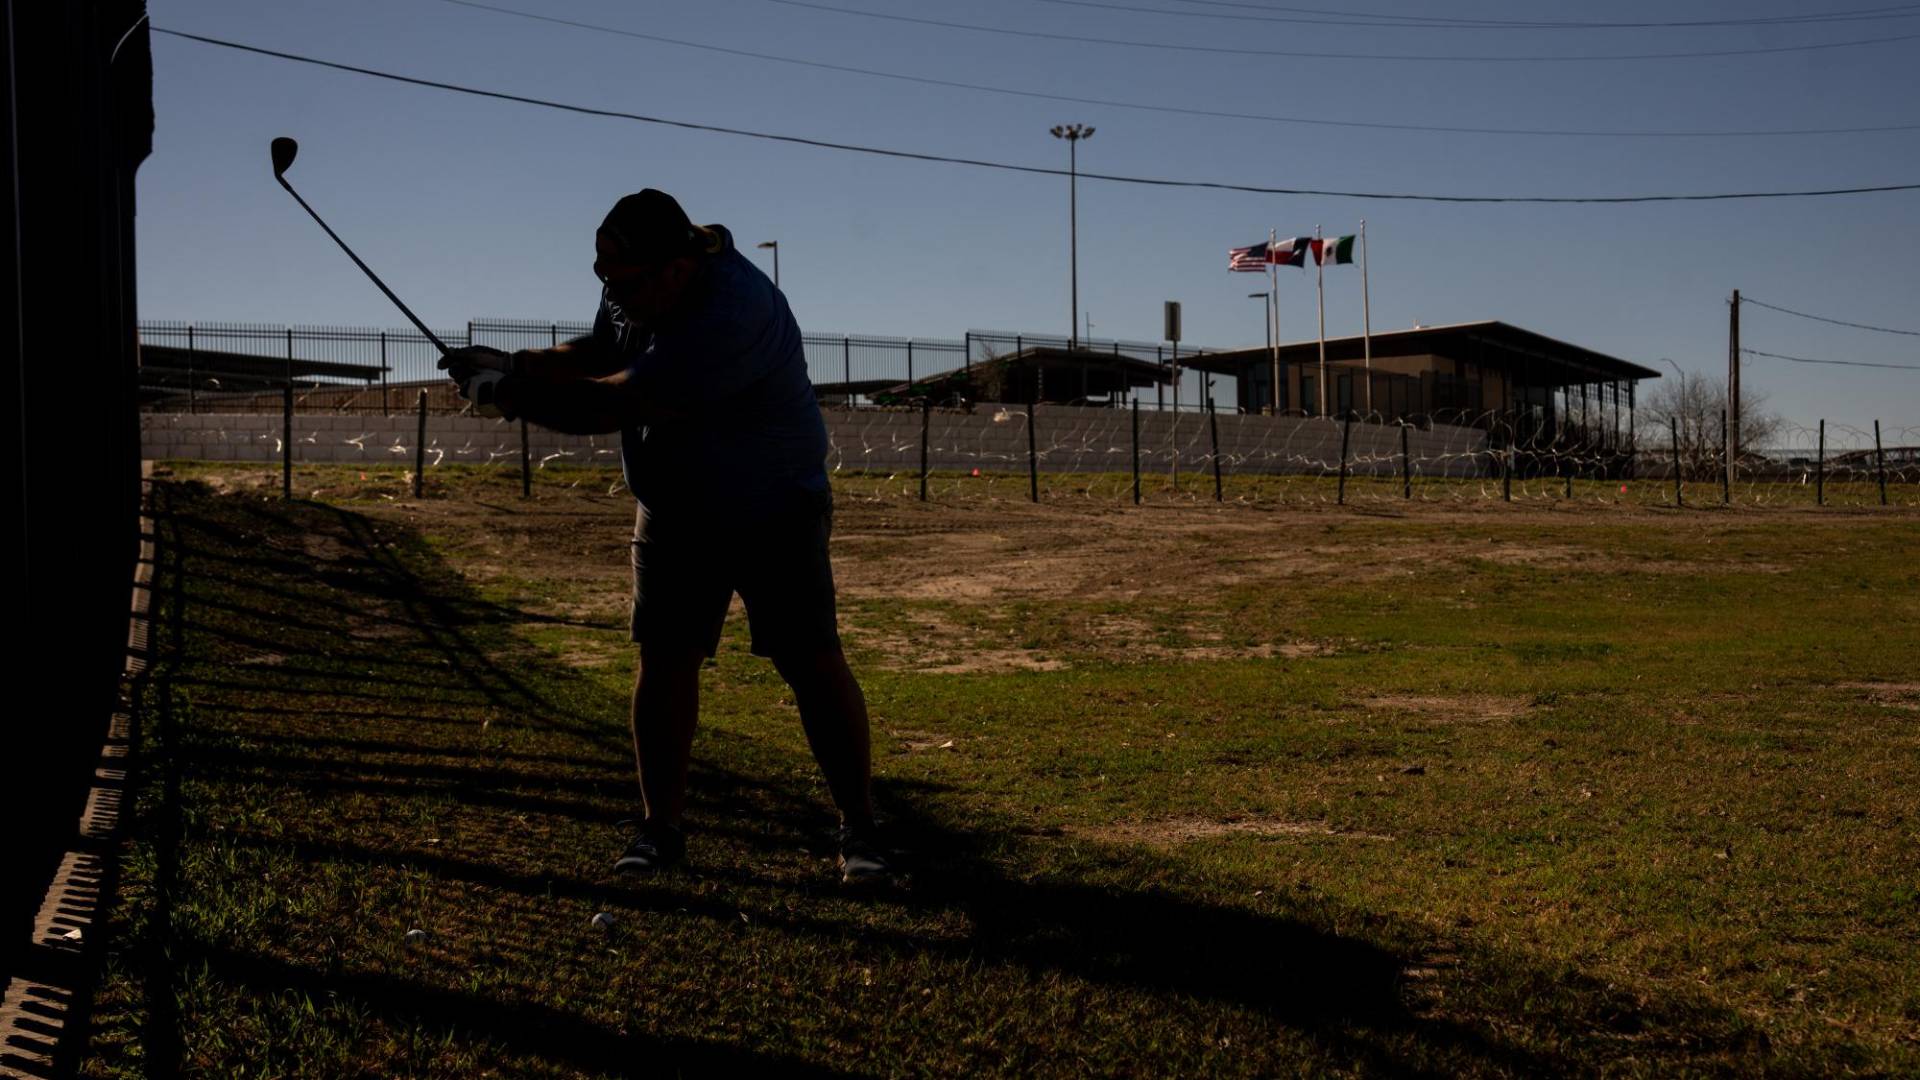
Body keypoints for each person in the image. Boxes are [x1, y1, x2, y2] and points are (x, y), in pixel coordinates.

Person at [438, 189, 888, 884]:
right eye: (602, 278)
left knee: (809, 660)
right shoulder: (635, 288)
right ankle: (660, 830)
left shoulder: (732, 311)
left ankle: (860, 827)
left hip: (774, 504)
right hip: (677, 504)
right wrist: (518, 363)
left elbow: (622, 398)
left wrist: (510, 398)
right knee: (666, 659)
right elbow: (601, 348)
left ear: (677, 268)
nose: (613, 293)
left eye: (625, 280)